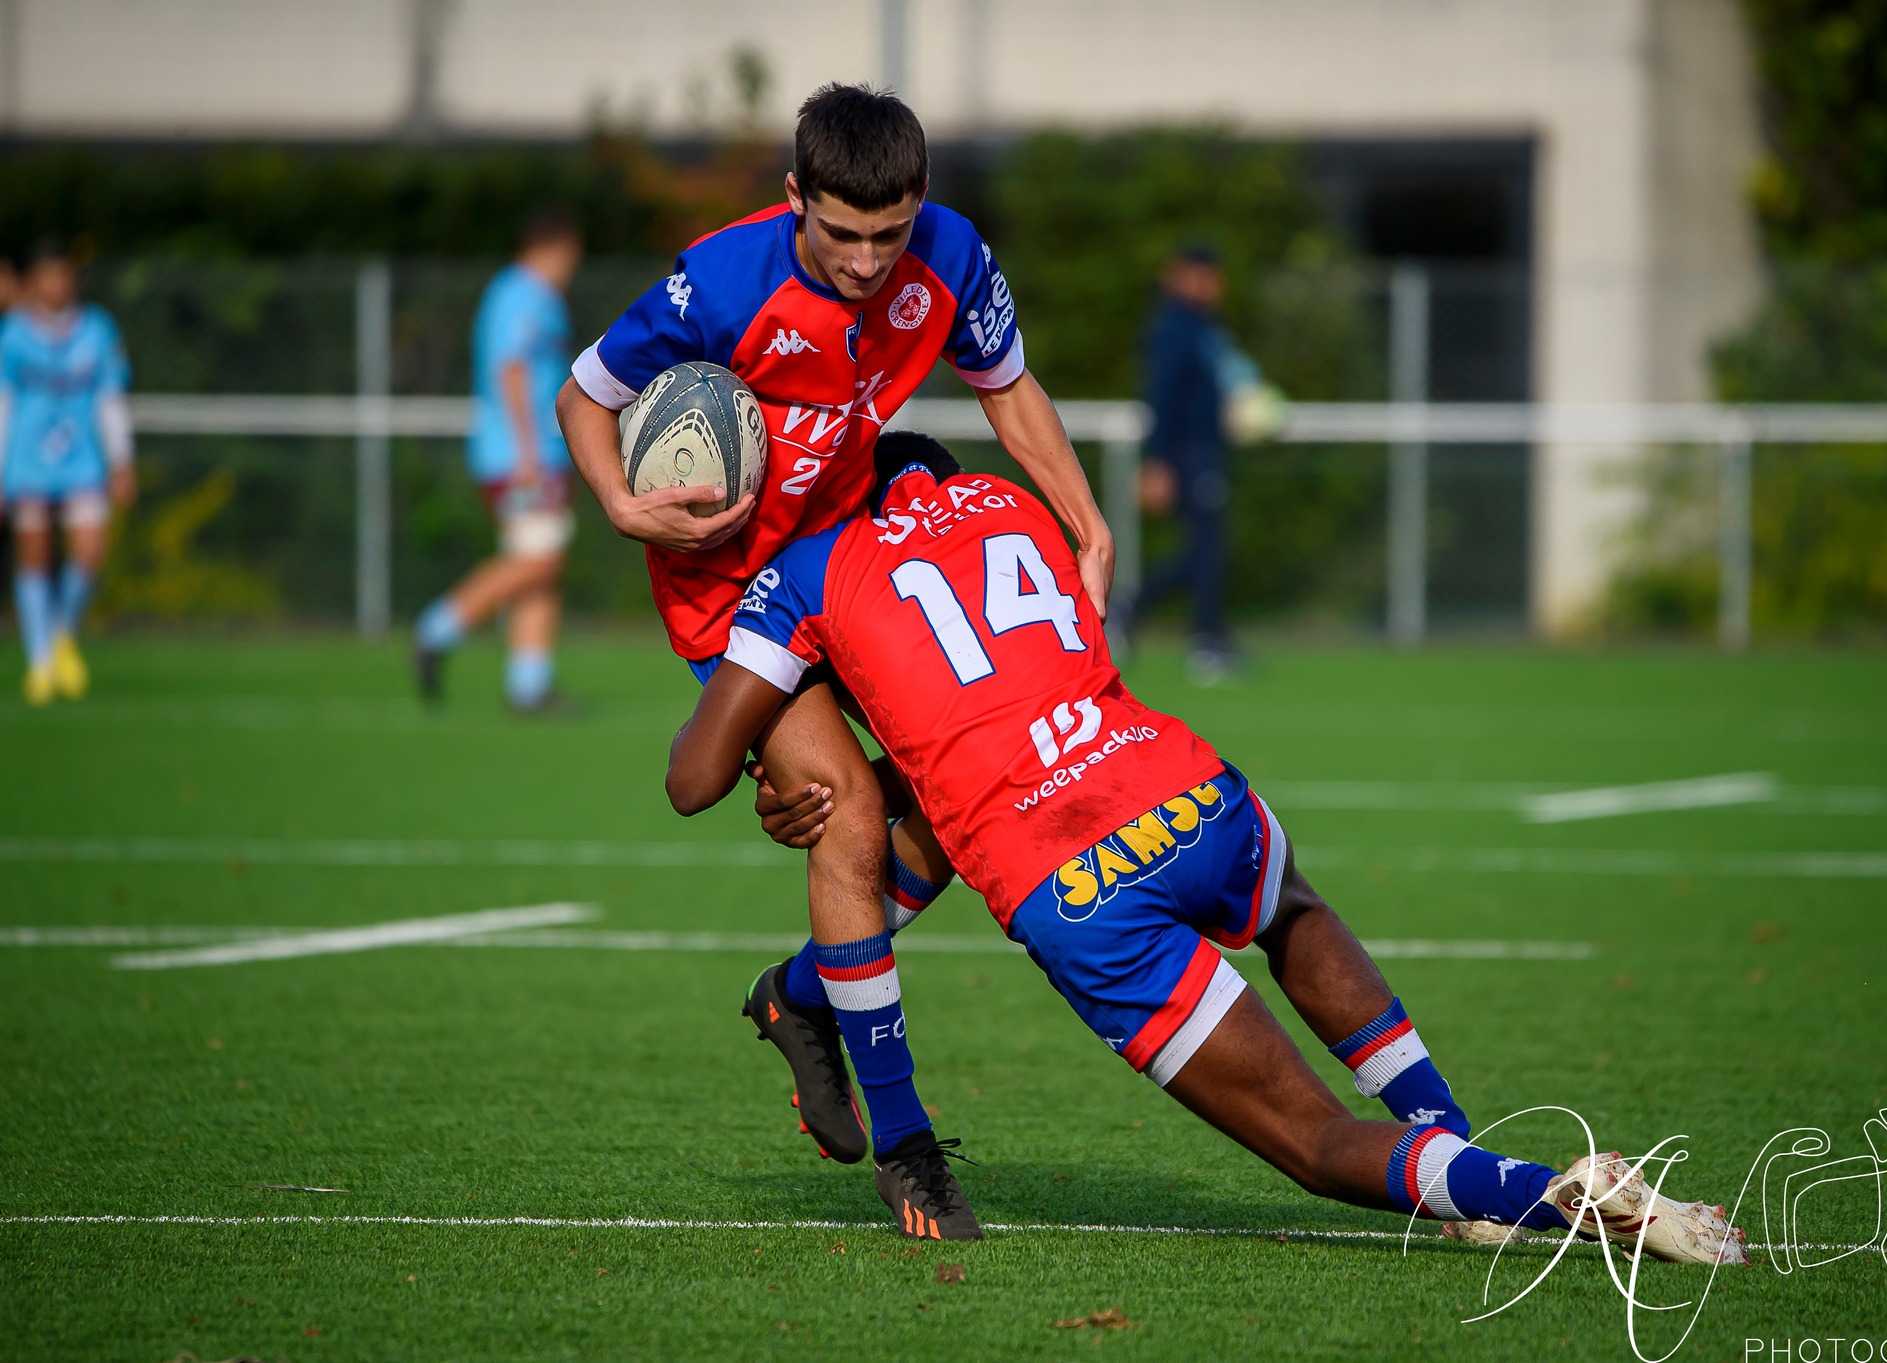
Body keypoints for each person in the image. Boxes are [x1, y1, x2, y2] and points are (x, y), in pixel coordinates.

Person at [666, 431, 1749, 1262]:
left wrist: (795, 766)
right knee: (1293, 913)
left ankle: (1540, 1192)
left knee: (1313, 1142)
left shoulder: (813, 566)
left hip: (1072, 880)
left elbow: (692, 781)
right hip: (1179, 789)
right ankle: (1446, 1129)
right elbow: (992, 687)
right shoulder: (1011, 503)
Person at [554, 84, 1114, 1230]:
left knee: (972, 799)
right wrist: (618, 502)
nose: (866, 262)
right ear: (793, 197)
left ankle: (803, 994)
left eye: (888, 234)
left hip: (855, 554)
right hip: (730, 589)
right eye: (841, 234)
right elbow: (583, 394)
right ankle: (907, 1148)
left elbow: (1007, 391)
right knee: (850, 821)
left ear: (921, 204)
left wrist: (1087, 527)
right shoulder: (721, 284)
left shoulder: (950, 255)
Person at [413, 209, 584, 711]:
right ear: (554, 248)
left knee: (540, 563)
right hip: (520, 454)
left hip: (530, 451)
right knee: (539, 560)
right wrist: (528, 452)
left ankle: (529, 684)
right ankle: (437, 628)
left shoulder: (523, 294)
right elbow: (511, 369)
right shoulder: (524, 294)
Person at [0, 241, 134, 705]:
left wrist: (122, 460)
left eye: (63, 275)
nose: (56, 285)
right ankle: (40, 660)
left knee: (90, 552)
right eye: (47, 275)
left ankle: (61, 630)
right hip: (27, 463)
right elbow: (3, 406)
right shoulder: (14, 335)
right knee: (34, 558)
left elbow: (110, 399)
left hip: (82, 462)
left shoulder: (97, 330)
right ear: (34, 280)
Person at [1122, 243, 1237, 683]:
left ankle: (1135, 611)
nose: (1212, 284)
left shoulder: (1205, 327)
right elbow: (1162, 400)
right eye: (1203, 274)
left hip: (1204, 451)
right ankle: (1204, 640)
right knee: (1206, 550)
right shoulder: (1173, 328)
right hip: (1187, 454)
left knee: (1206, 549)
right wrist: (1157, 462)